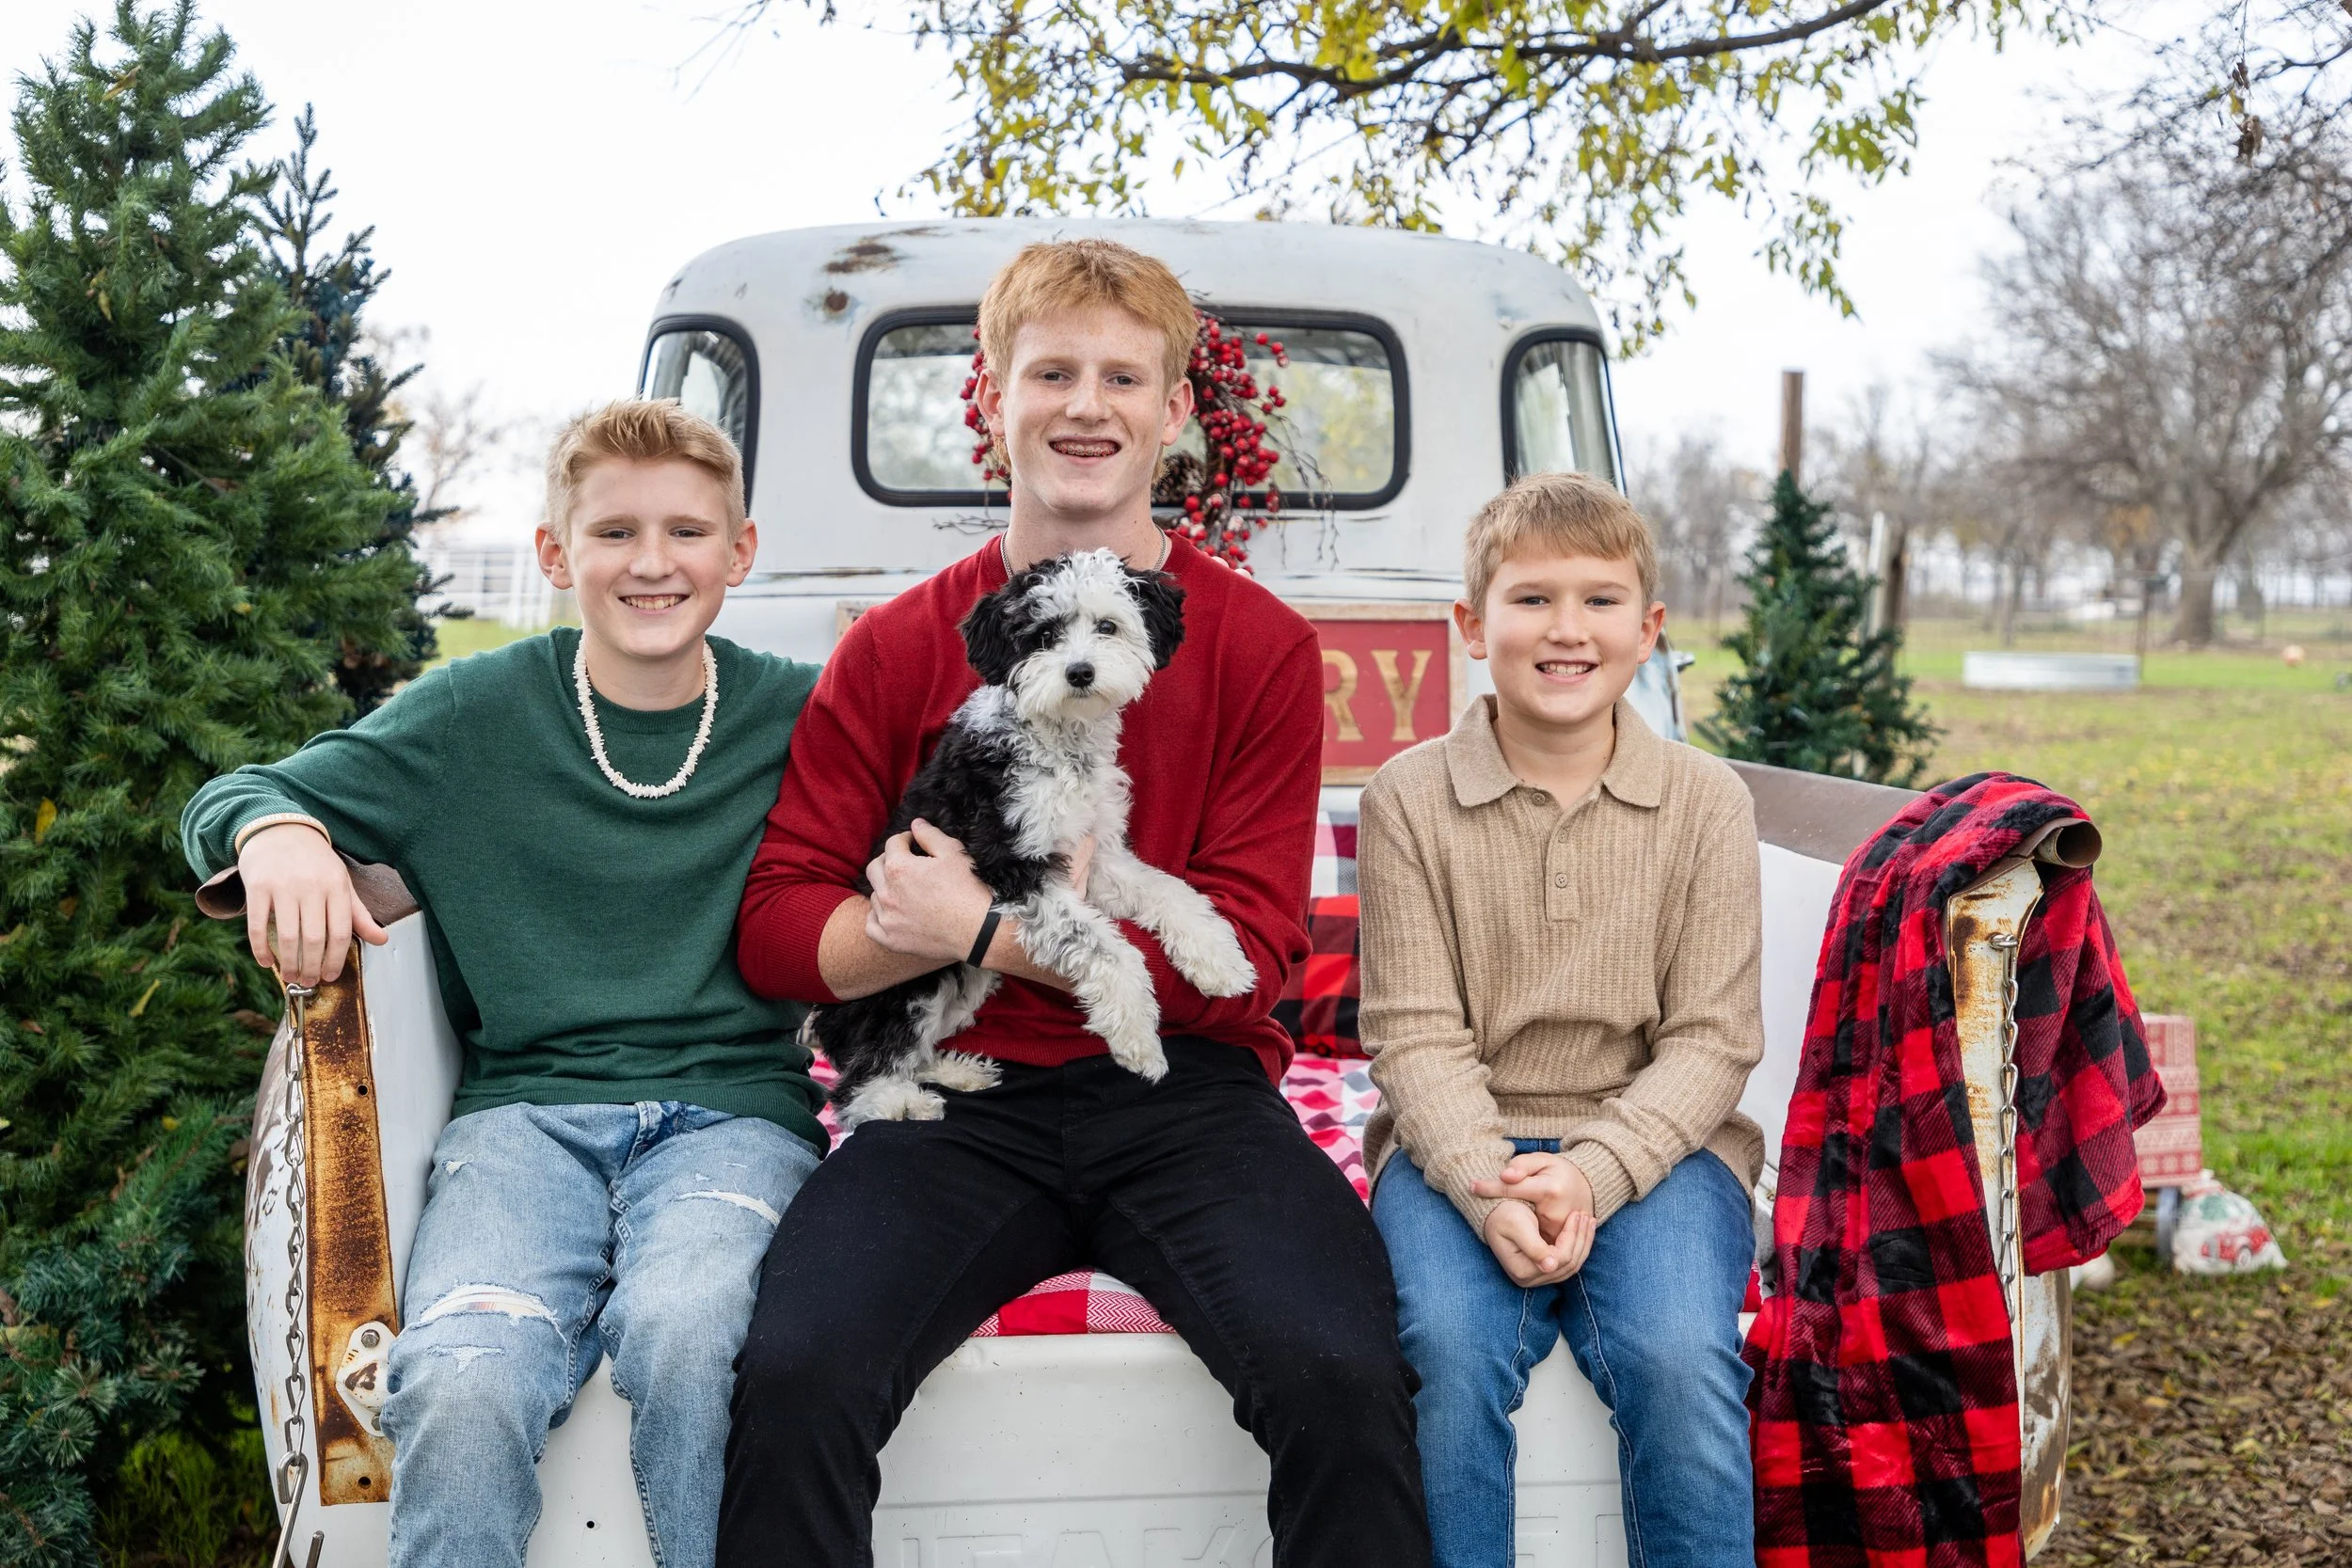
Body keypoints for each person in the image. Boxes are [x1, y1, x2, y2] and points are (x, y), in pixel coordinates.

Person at [719, 238, 1431, 1568]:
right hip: (956, 1096)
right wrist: (897, 933)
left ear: (1175, 415)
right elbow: (775, 928)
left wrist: (981, 929)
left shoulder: (1265, 648)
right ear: (994, 401)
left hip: (1188, 1101)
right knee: (799, 1371)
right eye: (1052, 372)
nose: (1086, 405)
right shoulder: (892, 645)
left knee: (1344, 1372)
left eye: (1123, 376)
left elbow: (1245, 970)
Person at [181, 401, 826, 1568]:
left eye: (687, 532)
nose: (651, 562)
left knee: (690, 1333)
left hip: (734, 1114)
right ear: (553, 552)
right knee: (464, 1374)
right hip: (524, 1122)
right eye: (614, 531)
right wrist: (279, 834)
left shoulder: (799, 710)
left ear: (739, 551)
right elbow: (239, 793)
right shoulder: (475, 713)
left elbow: (964, 763)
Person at [1357, 470, 1764, 1568]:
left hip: (1659, 1145)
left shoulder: (1705, 799)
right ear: (1471, 626)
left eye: (1599, 598)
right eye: (1531, 598)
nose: (1566, 628)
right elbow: (1411, 1030)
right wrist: (1488, 1179)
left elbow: (1712, 1038)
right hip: (1460, 1152)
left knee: (1682, 1356)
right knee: (1439, 1351)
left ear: (1650, 628)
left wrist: (1592, 1171)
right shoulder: (1406, 796)